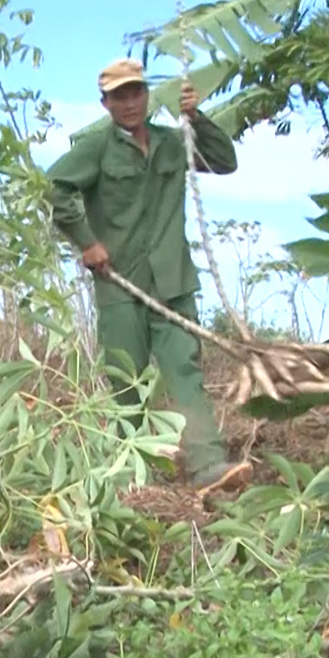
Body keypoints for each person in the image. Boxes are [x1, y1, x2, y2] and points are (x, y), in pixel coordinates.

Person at [44, 57, 251, 491]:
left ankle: (208, 464)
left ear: (147, 95)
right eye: (119, 96)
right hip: (120, 284)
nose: (130, 102)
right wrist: (86, 241)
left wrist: (196, 118)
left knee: (185, 370)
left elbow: (224, 161)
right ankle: (131, 478)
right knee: (127, 381)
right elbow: (55, 188)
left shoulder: (172, 142)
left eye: (136, 92)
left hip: (172, 282)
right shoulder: (96, 148)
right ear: (106, 103)